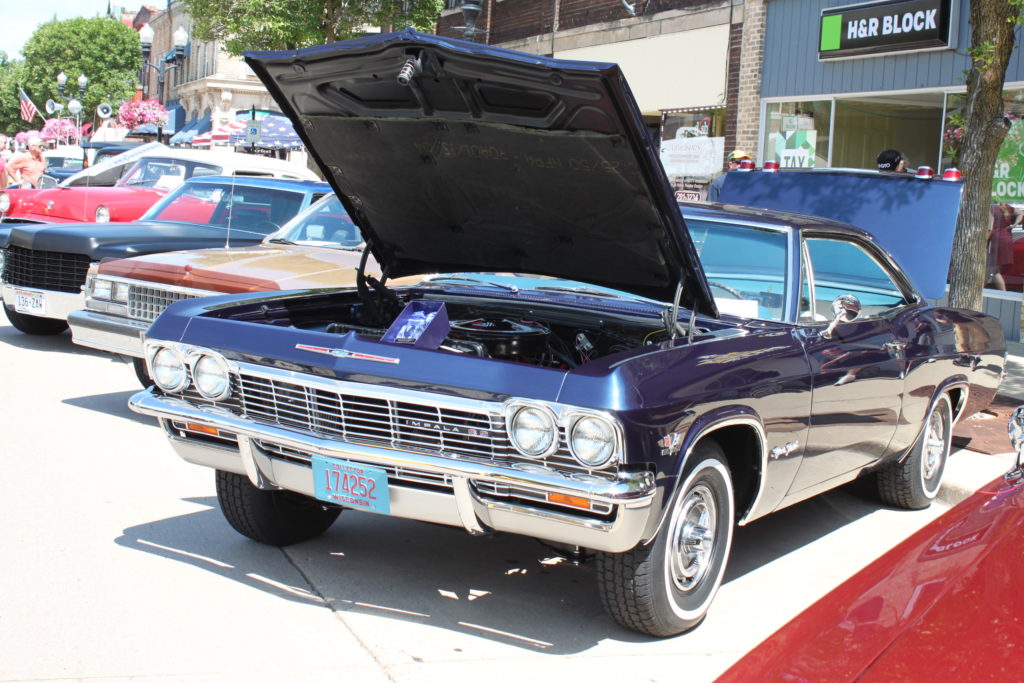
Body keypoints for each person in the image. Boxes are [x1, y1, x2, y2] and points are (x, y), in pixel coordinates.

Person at [987, 201, 1019, 290]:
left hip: (996, 240)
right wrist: (1014, 224)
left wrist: (985, 240)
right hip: (1007, 238)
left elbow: (990, 227)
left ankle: (1002, 293)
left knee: (993, 270)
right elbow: (1021, 213)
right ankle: (1000, 292)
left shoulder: (992, 208)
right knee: (994, 270)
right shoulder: (1007, 207)